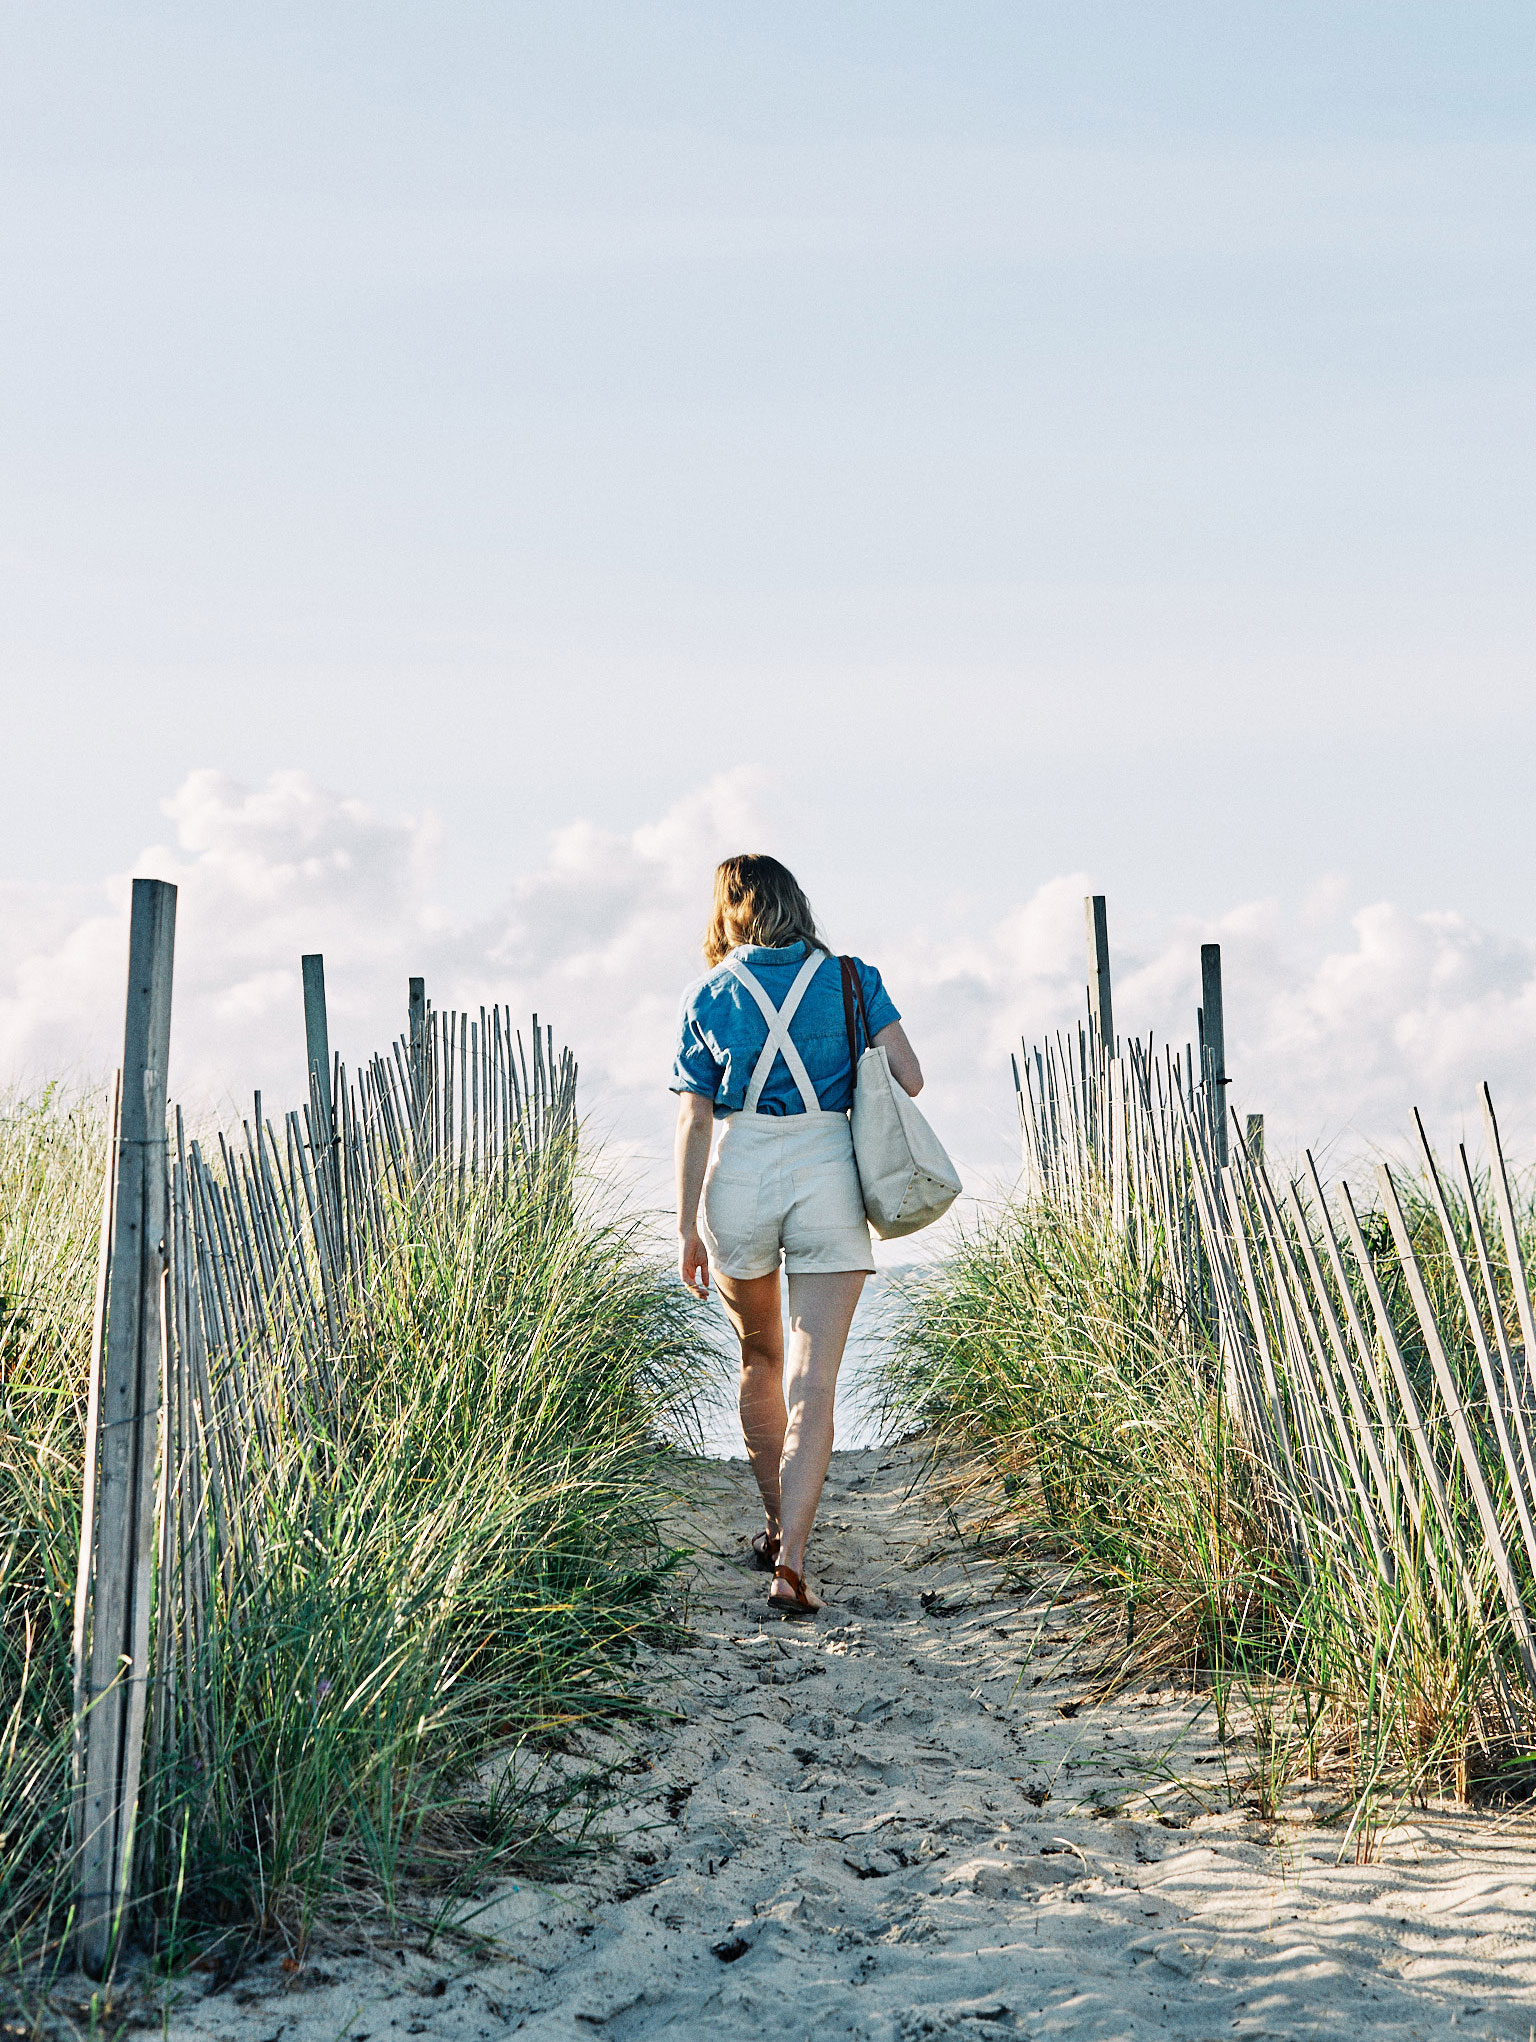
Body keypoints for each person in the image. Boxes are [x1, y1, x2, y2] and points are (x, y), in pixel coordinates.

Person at [671, 854, 924, 1618]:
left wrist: (685, 1227)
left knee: (760, 1361)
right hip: (827, 1173)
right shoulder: (851, 978)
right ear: (796, 903)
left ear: (728, 912)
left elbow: (694, 1118)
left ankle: (777, 1525)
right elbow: (909, 1077)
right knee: (814, 1380)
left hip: (740, 1174)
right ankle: (793, 1564)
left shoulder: (710, 994)